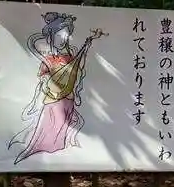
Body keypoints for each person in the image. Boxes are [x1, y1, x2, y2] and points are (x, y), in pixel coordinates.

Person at [7, 11, 105, 163]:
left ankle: (61, 156)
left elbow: (77, 68)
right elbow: (43, 76)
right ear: (51, 36)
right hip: (53, 101)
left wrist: (87, 44)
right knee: (48, 131)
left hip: (68, 100)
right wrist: (49, 81)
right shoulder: (48, 59)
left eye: (66, 35)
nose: (62, 39)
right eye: (59, 35)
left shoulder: (70, 57)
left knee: (63, 132)